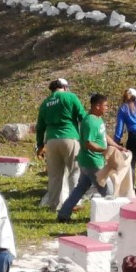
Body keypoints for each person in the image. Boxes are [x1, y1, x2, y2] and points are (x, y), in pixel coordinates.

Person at [56, 93, 127, 223]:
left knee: (80, 189)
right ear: (97, 106)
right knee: (109, 192)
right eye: (105, 105)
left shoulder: (98, 119)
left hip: (90, 161)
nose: (107, 108)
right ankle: (113, 219)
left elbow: (103, 135)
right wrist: (105, 150)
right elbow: (88, 143)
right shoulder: (89, 122)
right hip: (92, 162)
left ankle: (63, 214)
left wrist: (118, 147)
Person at [35, 78, 86, 210]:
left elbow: (40, 127)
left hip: (51, 141)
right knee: (74, 171)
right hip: (70, 138)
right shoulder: (70, 97)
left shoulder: (45, 103)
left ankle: (54, 205)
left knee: (54, 175)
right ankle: (75, 202)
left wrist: (40, 145)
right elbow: (82, 117)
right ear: (64, 87)